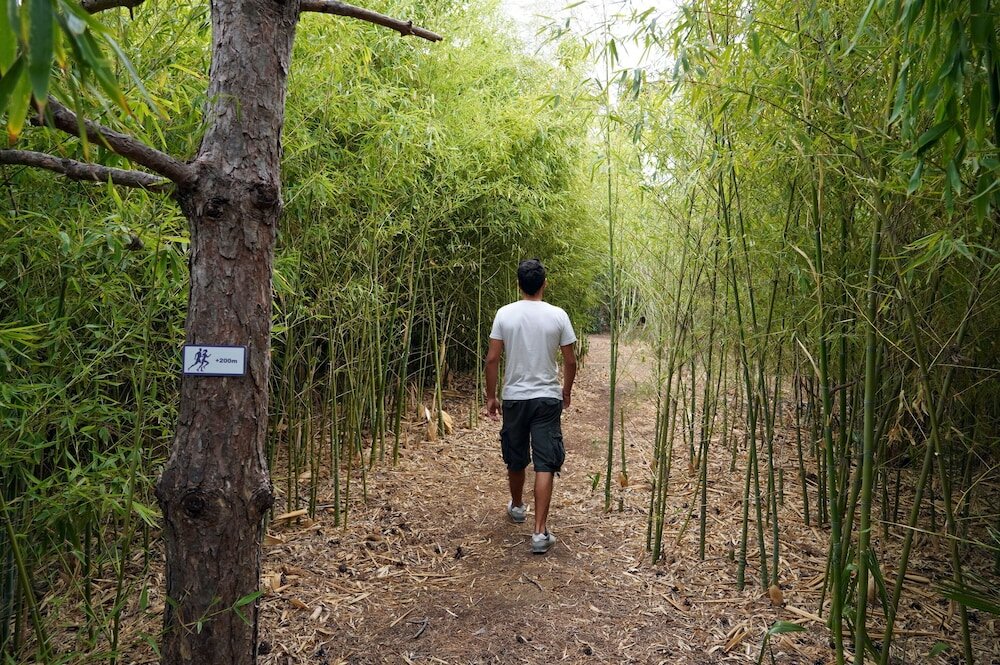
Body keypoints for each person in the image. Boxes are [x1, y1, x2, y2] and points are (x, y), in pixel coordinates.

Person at [485, 258, 577, 554]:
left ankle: (517, 506)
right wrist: (566, 390)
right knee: (545, 461)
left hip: (514, 397)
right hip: (547, 398)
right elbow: (570, 360)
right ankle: (539, 533)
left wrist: (491, 396)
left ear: (518, 284)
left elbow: (492, 359)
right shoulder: (558, 315)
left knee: (515, 455)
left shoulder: (505, 314)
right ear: (544, 284)